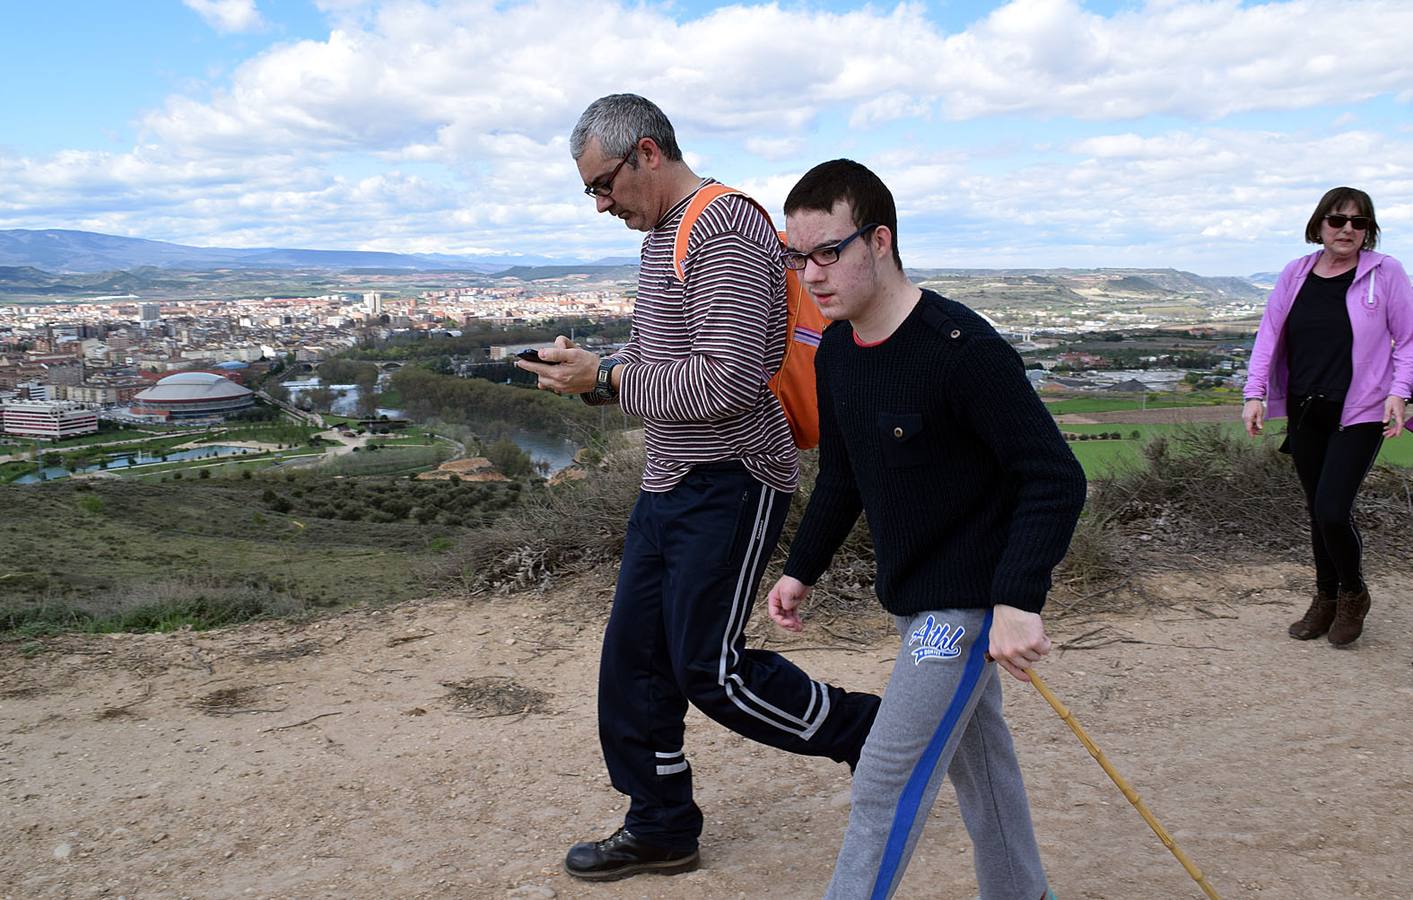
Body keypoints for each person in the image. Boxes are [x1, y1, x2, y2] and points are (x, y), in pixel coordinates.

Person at [517, 95, 880, 883]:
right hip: (673, 476)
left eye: (603, 185)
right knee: (633, 662)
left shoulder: (722, 227)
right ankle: (660, 826)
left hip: (731, 479)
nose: (600, 205)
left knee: (707, 669)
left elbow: (726, 382)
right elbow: (672, 360)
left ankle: (875, 739)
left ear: (646, 152)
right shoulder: (666, 235)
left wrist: (607, 377)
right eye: (590, 192)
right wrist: (594, 373)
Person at [766, 159, 1084, 900]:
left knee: (884, 780)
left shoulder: (961, 352)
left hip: (959, 613)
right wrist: (799, 569)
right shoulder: (840, 348)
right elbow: (843, 477)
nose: (809, 275)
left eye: (825, 253)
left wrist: (1014, 598)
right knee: (983, 766)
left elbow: (1054, 477)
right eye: (795, 255)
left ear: (877, 241)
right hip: (913, 601)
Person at [1243, 187, 1412, 647]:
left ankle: (1353, 593)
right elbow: (1269, 335)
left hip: (1361, 410)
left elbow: (1410, 339)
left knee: (1332, 510)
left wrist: (1400, 392)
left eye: (1358, 223)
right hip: (1305, 408)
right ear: (1319, 224)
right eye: (1338, 220)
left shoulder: (1386, 272)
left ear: (1368, 230)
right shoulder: (1295, 274)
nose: (1347, 230)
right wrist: (1254, 392)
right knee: (1317, 512)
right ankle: (1325, 598)